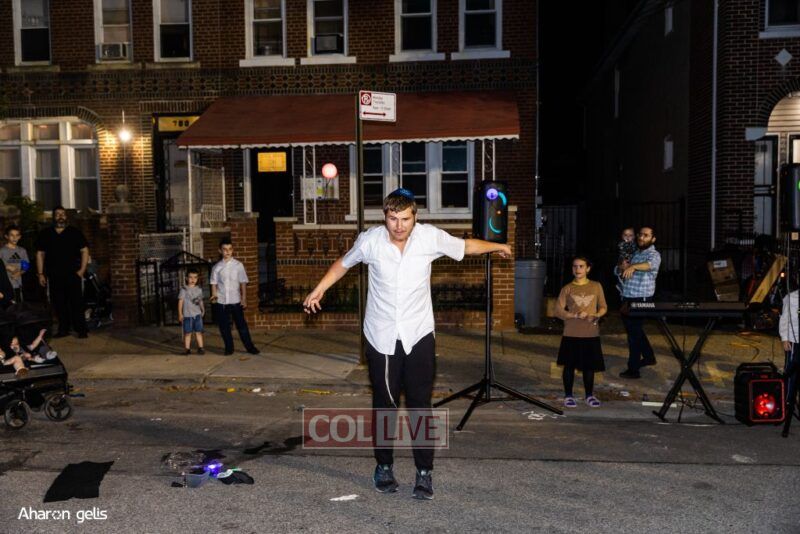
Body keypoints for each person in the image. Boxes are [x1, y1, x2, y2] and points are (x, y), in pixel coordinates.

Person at [302, 188, 512, 500]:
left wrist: (498, 246)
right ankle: (384, 466)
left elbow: (465, 245)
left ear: (415, 217)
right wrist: (320, 288)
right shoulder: (370, 241)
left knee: (419, 405)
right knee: (385, 405)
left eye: (405, 219)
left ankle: (424, 472)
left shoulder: (429, 238)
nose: (399, 226)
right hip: (382, 335)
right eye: (393, 219)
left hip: (418, 334)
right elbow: (343, 264)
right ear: (384, 217)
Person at [555, 256, 607, 408]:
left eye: (581, 266)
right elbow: (557, 310)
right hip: (571, 332)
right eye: (575, 266)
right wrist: (575, 315)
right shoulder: (567, 288)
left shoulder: (596, 286)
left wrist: (596, 315)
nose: (577, 269)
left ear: (588, 269)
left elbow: (603, 307)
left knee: (589, 366)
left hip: (590, 332)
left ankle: (589, 395)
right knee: (569, 366)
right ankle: (568, 396)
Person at [35, 206, 90, 338]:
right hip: (54, 275)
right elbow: (40, 254)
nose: (60, 216)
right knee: (59, 303)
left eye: (63, 214)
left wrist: (82, 270)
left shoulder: (75, 232)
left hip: (73, 274)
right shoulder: (46, 233)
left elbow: (85, 251)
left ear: (66, 217)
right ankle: (63, 329)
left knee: (76, 302)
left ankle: (81, 329)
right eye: (57, 214)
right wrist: (41, 274)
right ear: (53, 217)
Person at [617, 226, 661, 379]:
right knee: (635, 331)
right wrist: (621, 267)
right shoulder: (635, 253)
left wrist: (633, 266)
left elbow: (649, 265)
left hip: (641, 298)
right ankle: (649, 357)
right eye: (640, 234)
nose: (641, 237)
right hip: (627, 296)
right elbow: (622, 270)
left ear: (653, 239)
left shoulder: (654, 254)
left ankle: (633, 369)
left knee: (633, 335)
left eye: (646, 235)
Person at [210, 237, 259, 356]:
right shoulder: (216, 267)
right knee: (224, 327)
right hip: (222, 301)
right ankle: (229, 348)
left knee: (241, 326)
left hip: (235, 301)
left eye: (230, 249)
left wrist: (244, 299)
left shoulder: (238, 265)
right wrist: (214, 297)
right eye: (225, 249)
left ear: (232, 250)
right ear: (220, 251)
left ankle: (250, 347)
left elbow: (243, 283)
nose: (227, 251)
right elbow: (214, 284)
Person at [779, 288, 799, 418]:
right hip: (795, 340)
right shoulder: (792, 298)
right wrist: (785, 338)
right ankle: (787, 401)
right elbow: (784, 318)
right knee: (792, 372)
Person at [178, 268, 205, 355]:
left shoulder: (199, 289)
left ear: (197, 278)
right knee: (187, 333)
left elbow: (200, 301)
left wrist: (203, 309)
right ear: (186, 278)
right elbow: (180, 302)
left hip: (197, 314)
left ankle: (201, 348)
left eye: (195, 277)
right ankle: (187, 349)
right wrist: (180, 314)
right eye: (190, 277)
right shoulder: (184, 289)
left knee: (199, 332)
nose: (193, 279)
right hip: (187, 315)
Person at [1, 225, 29, 302]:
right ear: (6, 236)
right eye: (12, 235)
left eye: (17, 235)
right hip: (5, 286)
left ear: (20, 237)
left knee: (18, 306)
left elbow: (26, 266)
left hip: (18, 285)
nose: (14, 237)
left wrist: (20, 272)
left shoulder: (22, 251)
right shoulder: (2, 251)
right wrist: (6, 266)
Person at [616, 227, 636, 295]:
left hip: (631, 263)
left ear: (634, 237)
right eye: (625, 235)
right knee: (622, 274)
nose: (628, 237)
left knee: (628, 275)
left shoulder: (635, 245)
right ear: (622, 236)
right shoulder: (621, 244)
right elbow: (622, 253)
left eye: (630, 235)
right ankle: (621, 286)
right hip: (623, 261)